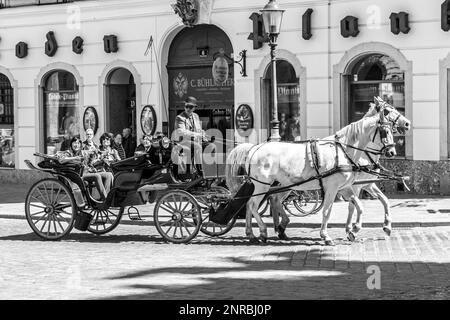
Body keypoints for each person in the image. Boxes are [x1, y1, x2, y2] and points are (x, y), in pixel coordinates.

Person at [57, 137, 112, 201]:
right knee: (97, 176)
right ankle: (105, 199)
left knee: (108, 174)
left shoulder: (82, 152)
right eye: (74, 143)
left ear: (80, 145)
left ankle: (107, 197)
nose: (76, 145)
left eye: (78, 143)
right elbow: (61, 160)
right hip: (78, 175)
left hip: (88, 172)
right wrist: (74, 158)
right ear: (71, 144)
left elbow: (93, 153)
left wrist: (101, 157)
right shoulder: (68, 152)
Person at [173, 96, 207, 177]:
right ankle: (200, 171)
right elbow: (182, 132)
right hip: (183, 142)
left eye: (190, 107)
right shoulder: (180, 118)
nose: (188, 108)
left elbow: (199, 129)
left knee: (211, 145)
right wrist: (196, 134)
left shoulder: (196, 116)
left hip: (196, 141)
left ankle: (210, 168)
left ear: (194, 108)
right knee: (198, 147)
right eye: (186, 106)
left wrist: (203, 134)